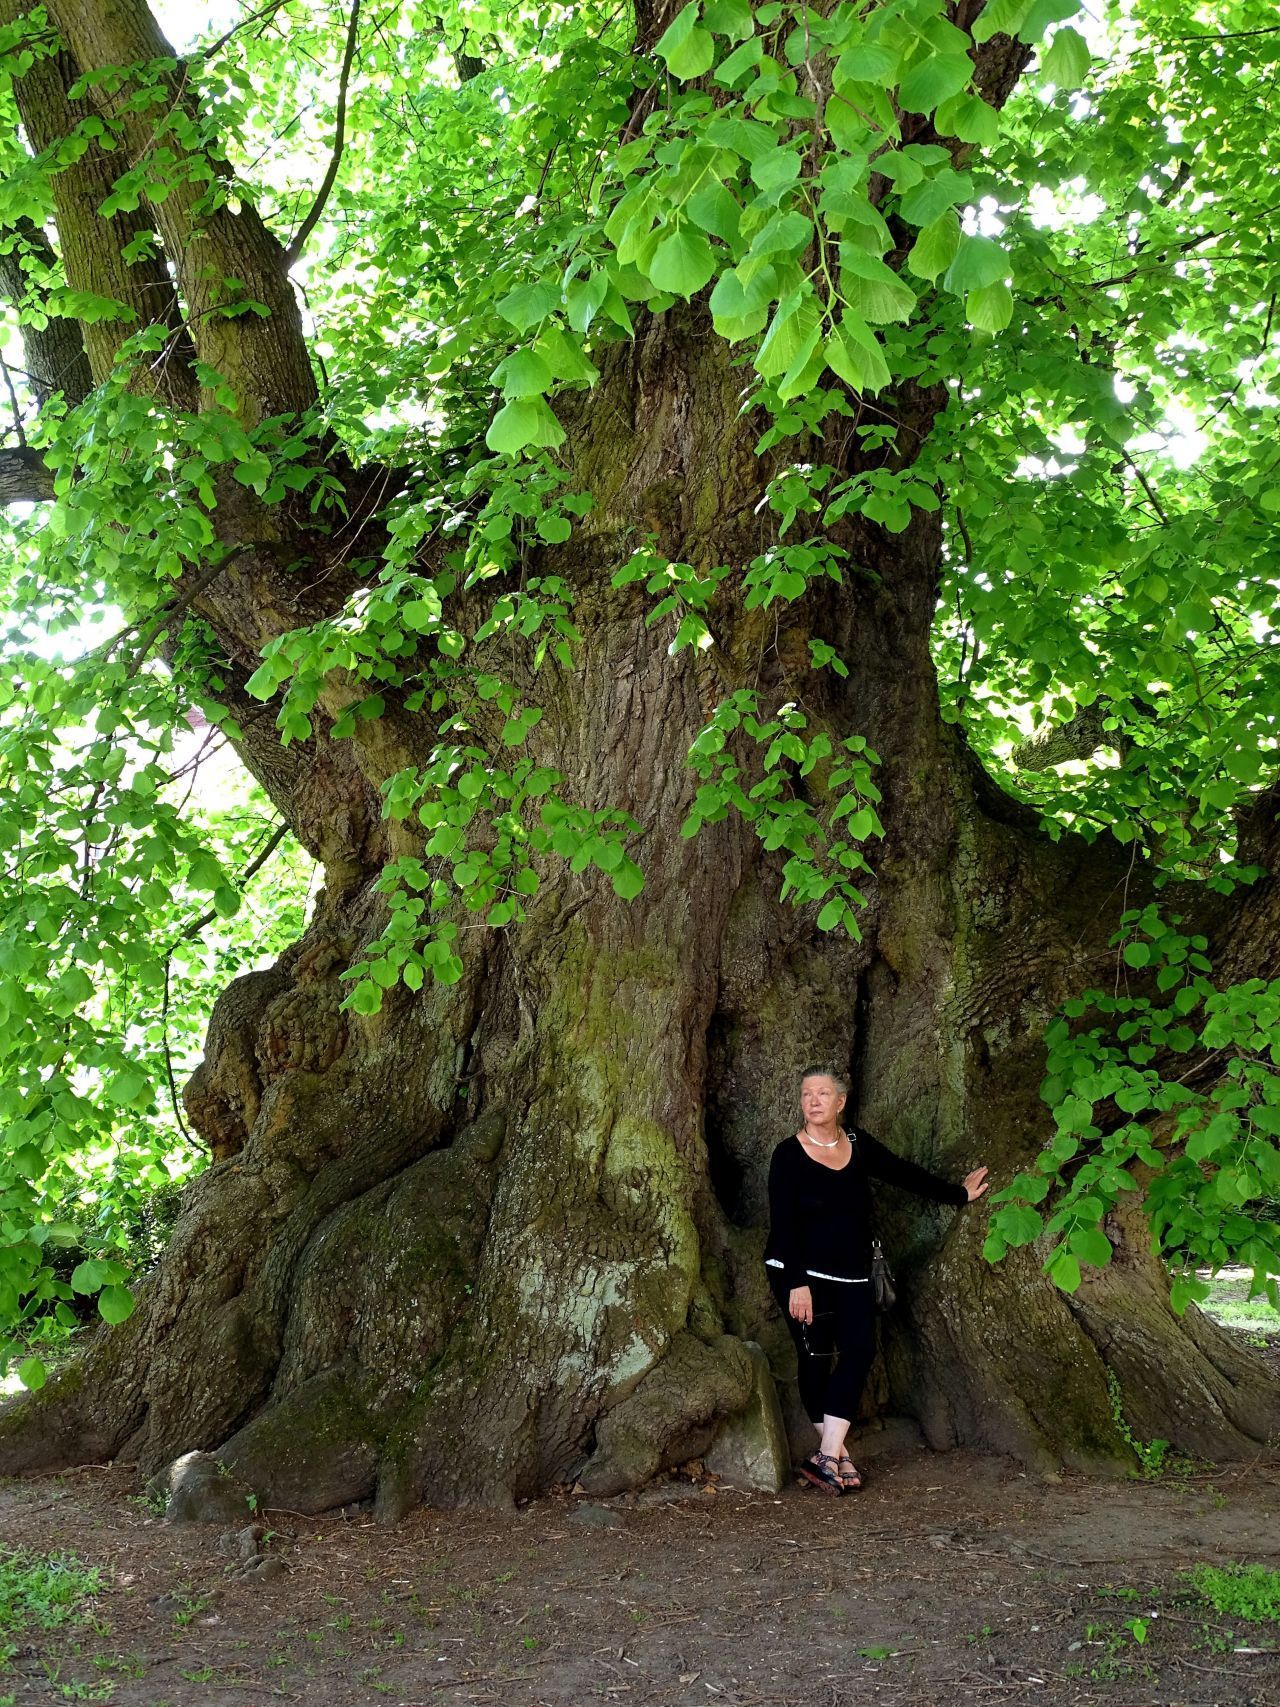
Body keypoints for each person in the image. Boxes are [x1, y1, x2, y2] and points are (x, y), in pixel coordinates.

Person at [764, 1066, 989, 1495]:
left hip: (852, 1274)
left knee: (860, 1351)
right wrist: (796, 1282)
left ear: (840, 1101)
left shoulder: (857, 1144)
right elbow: (783, 1223)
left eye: (823, 1093)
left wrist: (957, 1194)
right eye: (807, 1094)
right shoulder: (787, 1155)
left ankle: (829, 1455)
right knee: (815, 1359)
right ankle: (836, 1457)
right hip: (800, 1277)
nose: (813, 1100)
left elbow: (903, 1173)